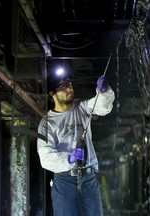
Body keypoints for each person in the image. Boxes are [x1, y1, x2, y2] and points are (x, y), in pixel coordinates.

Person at [37, 73, 115, 216]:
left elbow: (102, 105)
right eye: (64, 86)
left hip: (88, 178)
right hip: (64, 181)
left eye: (70, 85)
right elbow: (45, 156)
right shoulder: (47, 123)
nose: (69, 89)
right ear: (52, 93)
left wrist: (104, 92)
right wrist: (68, 159)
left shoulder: (82, 108)